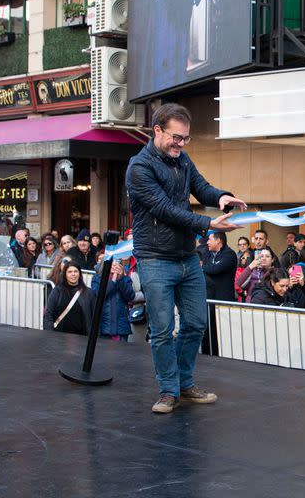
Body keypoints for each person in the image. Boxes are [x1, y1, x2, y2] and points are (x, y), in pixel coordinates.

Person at [125, 102, 246, 414]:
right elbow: (165, 209)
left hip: (187, 258)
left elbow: (201, 187)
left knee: (195, 324)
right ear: (157, 131)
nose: (180, 144)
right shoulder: (139, 169)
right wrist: (208, 224)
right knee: (162, 329)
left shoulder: (183, 159)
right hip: (154, 259)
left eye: (185, 139)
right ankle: (169, 390)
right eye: (176, 138)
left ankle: (182, 383)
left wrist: (221, 197)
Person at [43, 261, 96, 335]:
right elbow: (48, 314)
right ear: (65, 274)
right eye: (70, 272)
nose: (73, 274)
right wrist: (50, 334)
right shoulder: (57, 291)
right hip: (59, 337)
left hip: (81, 338)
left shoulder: (88, 293)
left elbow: (94, 318)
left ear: (79, 274)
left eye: (75, 271)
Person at [92, 259, 135, 342]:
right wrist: (113, 281)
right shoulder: (97, 278)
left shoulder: (125, 278)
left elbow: (130, 297)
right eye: (112, 264)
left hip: (121, 327)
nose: (115, 266)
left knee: (121, 353)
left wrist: (120, 279)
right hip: (103, 326)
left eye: (117, 264)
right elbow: (99, 295)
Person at [202, 232, 237, 301]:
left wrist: (201, 267)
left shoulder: (229, 254)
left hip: (224, 300)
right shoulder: (208, 254)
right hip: (210, 298)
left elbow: (215, 269)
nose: (207, 242)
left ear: (218, 240)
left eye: (209, 239)